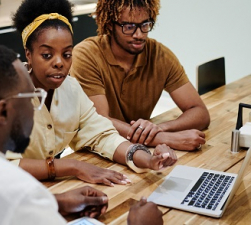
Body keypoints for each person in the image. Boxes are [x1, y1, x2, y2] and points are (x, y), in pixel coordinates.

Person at [0, 44, 163, 225]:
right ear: (2, 112)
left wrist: (53, 202)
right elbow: (10, 199)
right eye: (32, 97)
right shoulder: (16, 194)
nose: (37, 104)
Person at [7, 0, 177, 187]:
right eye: (47, 55)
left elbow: (102, 135)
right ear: (28, 55)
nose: (59, 63)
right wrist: (72, 166)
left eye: (67, 54)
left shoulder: (71, 89)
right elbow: (5, 166)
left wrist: (147, 159)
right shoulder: (6, 96)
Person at [70, 0, 210, 151]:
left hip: (138, 147)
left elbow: (200, 112)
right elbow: (100, 121)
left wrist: (159, 128)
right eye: (129, 27)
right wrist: (166, 139)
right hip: (93, 150)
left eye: (145, 25)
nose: (139, 34)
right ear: (110, 24)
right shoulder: (86, 55)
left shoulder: (160, 55)